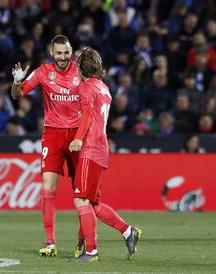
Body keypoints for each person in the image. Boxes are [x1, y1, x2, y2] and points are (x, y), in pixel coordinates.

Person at [69, 47, 141, 262]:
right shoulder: (104, 87)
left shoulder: (86, 88)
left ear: (81, 67)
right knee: (93, 203)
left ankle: (91, 251)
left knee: (81, 200)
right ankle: (129, 232)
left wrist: (78, 138)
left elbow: (88, 114)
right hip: (102, 149)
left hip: (90, 148)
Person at [11, 35, 81, 256]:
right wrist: (16, 81)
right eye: (58, 53)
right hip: (52, 136)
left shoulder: (82, 72)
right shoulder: (42, 72)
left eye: (66, 52)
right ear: (52, 52)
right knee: (48, 189)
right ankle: (50, 241)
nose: (63, 57)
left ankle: (83, 239)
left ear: (72, 52)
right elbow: (18, 94)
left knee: (81, 193)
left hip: (78, 137)